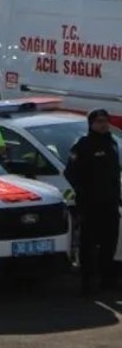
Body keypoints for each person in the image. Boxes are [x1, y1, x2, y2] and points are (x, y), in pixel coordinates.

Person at [66, 109, 121, 296]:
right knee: (88, 244)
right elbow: (70, 173)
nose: (103, 124)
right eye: (99, 121)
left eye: (106, 120)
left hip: (110, 203)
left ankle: (107, 279)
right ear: (91, 124)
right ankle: (87, 282)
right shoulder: (83, 145)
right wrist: (85, 193)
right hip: (90, 205)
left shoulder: (111, 143)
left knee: (109, 243)